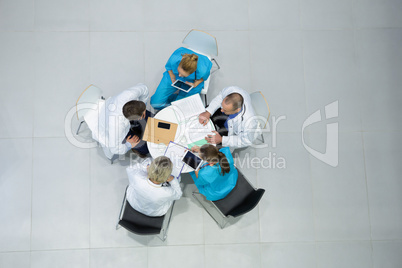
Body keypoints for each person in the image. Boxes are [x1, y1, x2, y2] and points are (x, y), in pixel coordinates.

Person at [84, 83, 150, 159]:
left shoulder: (130, 94)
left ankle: (138, 126)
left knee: (152, 119)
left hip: (120, 113)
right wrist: (129, 144)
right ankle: (136, 147)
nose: (142, 115)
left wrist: (143, 105)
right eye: (141, 116)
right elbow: (114, 148)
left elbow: (144, 89)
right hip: (112, 125)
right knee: (144, 148)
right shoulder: (116, 125)